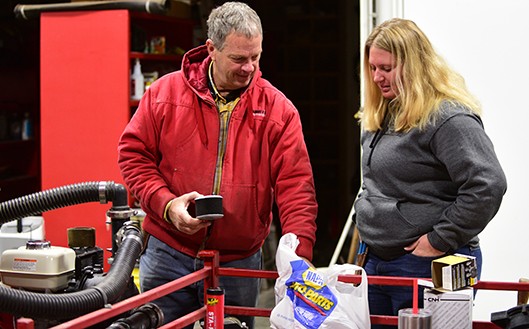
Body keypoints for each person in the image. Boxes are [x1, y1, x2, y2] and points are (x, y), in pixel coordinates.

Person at [117, 2, 318, 328]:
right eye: (239, 58)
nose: (249, 68)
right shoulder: (164, 94)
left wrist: (300, 254)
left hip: (237, 264)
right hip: (168, 254)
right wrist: (167, 206)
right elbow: (133, 156)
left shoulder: (278, 110)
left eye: (256, 57)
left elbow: (296, 187)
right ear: (211, 49)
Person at [354, 18, 507, 328]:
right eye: (372, 68)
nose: (377, 77)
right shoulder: (385, 112)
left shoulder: (447, 118)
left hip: (424, 263)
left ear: (414, 65)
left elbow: (487, 186)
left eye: (387, 68)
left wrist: (439, 240)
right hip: (377, 260)